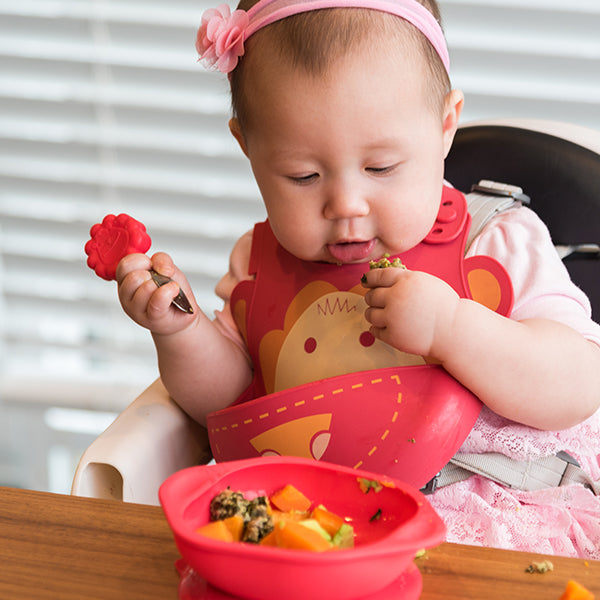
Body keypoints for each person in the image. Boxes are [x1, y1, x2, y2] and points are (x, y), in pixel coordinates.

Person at [115, 0, 600, 557]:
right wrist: (180, 330)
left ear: (445, 126)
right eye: (304, 175)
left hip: (490, 527)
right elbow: (230, 401)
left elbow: (578, 385)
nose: (346, 204)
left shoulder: (492, 242)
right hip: (318, 534)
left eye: (380, 168)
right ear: (248, 146)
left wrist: (452, 327)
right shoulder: (259, 262)